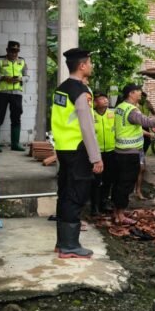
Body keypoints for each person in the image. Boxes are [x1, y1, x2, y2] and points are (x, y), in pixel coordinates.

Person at [50, 48, 103, 258]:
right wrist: (96, 157)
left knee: (65, 193)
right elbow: (87, 127)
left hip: (63, 147)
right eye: (89, 63)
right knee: (76, 195)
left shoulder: (62, 89)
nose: (91, 66)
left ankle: (62, 242)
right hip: (78, 149)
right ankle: (69, 246)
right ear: (82, 66)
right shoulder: (81, 92)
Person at [113, 84, 155, 225]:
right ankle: (120, 215)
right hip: (129, 153)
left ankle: (117, 212)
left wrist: (147, 133)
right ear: (131, 93)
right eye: (138, 92)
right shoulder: (131, 110)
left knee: (119, 183)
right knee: (125, 184)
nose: (140, 95)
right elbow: (149, 122)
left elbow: (132, 127)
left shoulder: (120, 107)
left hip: (120, 151)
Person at [0, 40, 28, 152]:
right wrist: (3, 78)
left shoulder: (22, 61)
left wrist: (20, 79)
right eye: (11, 51)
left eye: (16, 51)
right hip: (2, 94)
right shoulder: (0, 60)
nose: (14, 54)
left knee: (16, 118)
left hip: (17, 94)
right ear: (7, 50)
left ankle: (15, 144)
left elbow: (27, 76)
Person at [91, 92, 116, 216]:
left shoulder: (112, 114)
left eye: (105, 98)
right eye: (101, 98)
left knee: (108, 179)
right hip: (96, 153)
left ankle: (104, 202)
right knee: (96, 181)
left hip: (111, 152)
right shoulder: (91, 115)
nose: (105, 100)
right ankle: (94, 206)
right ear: (95, 102)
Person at [135, 91, 155, 200]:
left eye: (144, 97)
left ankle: (142, 160)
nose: (142, 98)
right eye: (141, 97)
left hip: (146, 125)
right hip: (138, 125)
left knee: (146, 144)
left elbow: (154, 113)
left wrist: (151, 113)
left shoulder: (147, 103)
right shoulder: (135, 106)